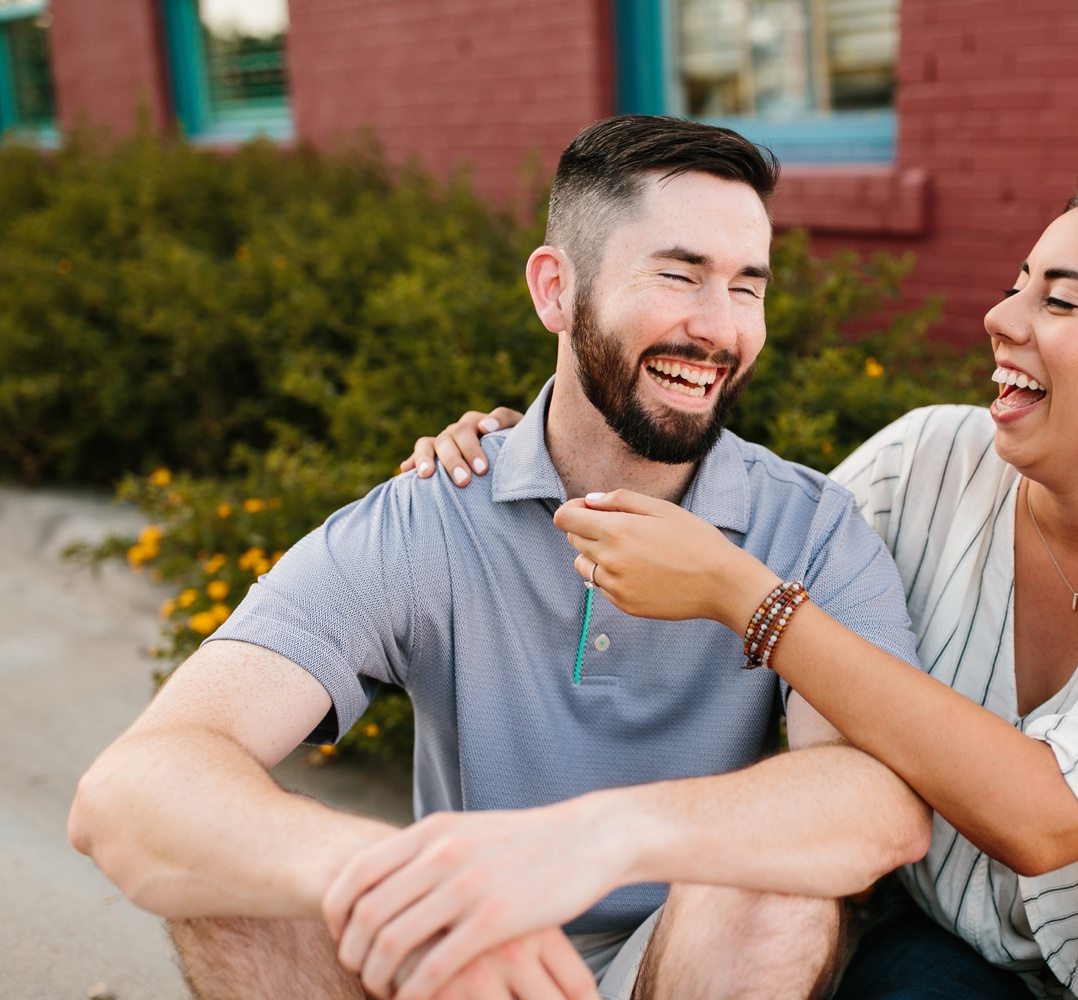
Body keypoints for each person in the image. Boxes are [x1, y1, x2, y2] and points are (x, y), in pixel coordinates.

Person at [413, 172, 1078, 999]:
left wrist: (760, 607)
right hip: (949, 936)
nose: (1001, 318)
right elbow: (716, 544)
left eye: (1061, 301)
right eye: (1016, 286)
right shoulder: (928, 459)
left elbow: (1050, 822)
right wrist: (549, 452)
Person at [68, 115, 932, 1000]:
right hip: (457, 963)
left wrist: (598, 838)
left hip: (681, 962)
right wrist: (396, 873)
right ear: (556, 290)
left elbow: (879, 805)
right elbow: (130, 790)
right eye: (679, 275)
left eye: (747, 286)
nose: (719, 328)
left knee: (775, 889)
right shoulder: (429, 519)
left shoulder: (814, 526)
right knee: (238, 876)